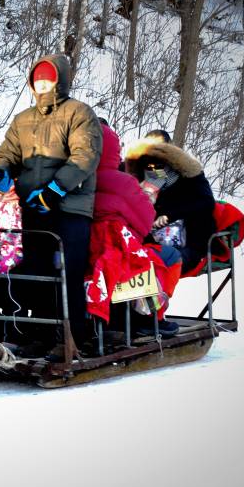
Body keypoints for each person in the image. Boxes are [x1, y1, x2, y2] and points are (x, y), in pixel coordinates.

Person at [0, 53, 103, 354]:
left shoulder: (80, 113)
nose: (42, 83)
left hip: (70, 207)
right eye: (37, 78)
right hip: (33, 205)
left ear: (60, 80)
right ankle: (39, 333)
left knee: (69, 271)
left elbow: (84, 157)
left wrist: (54, 190)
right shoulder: (22, 120)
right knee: (36, 269)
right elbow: (8, 152)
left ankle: (75, 337)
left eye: (47, 77)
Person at [85, 121, 180, 338]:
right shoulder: (126, 179)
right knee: (168, 257)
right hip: (117, 247)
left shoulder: (77, 179)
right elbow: (146, 219)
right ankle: (153, 317)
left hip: (86, 249)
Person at [124, 129, 216, 274]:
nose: (154, 165)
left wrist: (170, 215)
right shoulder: (141, 171)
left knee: (156, 265)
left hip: (187, 245)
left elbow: (206, 202)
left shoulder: (189, 173)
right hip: (150, 242)